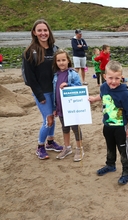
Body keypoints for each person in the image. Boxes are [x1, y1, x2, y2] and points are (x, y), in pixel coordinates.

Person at [89, 60, 128, 185]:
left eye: (117, 78)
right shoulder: (104, 86)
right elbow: (102, 95)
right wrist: (94, 99)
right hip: (107, 125)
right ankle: (110, 165)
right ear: (105, 76)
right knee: (110, 146)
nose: (113, 81)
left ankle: (127, 171)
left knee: (123, 149)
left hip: (121, 127)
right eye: (110, 78)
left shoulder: (125, 94)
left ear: (122, 77)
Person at [22, 19, 63, 160]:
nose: (43, 33)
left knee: (54, 117)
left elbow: (62, 69)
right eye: (39, 30)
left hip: (55, 90)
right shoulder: (29, 52)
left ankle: (50, 142)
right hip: (42, 92)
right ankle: (40, 147)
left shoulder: (55, 49)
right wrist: (40, 96)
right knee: (48, 119)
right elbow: (30, 78)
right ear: (34, 32)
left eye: (45, 30)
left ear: (49, 32)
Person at [52, 49, 84, 161]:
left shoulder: (73, 74)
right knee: (65, 128)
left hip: (71, 108)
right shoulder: (55, 75)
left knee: (75, 128)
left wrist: (68, 85)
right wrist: (55, 108)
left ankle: (79, 148)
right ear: (55, 62)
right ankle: (67, 147)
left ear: (68, 60)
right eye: (58, 60)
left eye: (63, 60)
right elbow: (54, 92)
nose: (61, 63)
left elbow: (79, 88)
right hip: (61, 108)